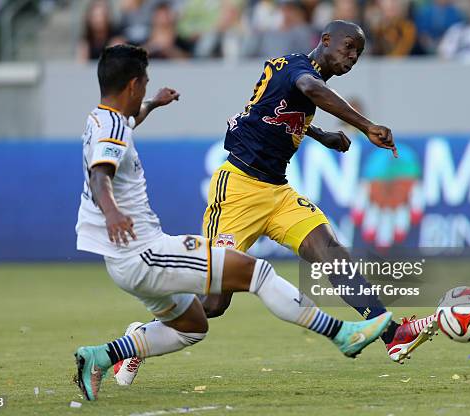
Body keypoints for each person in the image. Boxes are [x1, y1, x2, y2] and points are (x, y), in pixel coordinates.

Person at [73, 44, 393, 401]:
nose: (146, 90)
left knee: (194, 325)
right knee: (253, 277)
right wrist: (113, 212)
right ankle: (342, 334)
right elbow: (101, 174)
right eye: (145, 85)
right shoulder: (112, 129)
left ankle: (105, 354)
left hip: (146, 247)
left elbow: (129, 123)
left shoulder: (102, 119)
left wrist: (153, 104)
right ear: (133, 85)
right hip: (144, 248)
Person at [178, 20, 433, 371]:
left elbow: (275, 109)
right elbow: (310, 89)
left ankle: (392, 335)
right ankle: (137, 340)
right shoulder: (300, 68)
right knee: (214, 302)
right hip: (238, 188)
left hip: (277, 192)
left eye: (358, 52)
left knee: (333, 255)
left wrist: (321, 134)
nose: (352, 57)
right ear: (325, 40)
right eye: (348, 47)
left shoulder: (300, 76)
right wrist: (366, 126)